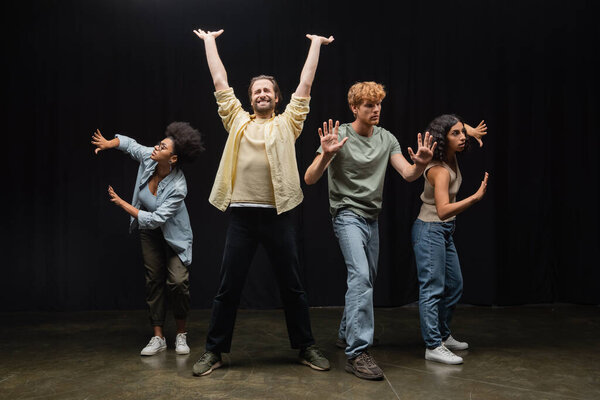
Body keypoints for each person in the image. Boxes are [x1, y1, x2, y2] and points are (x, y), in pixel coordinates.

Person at [191, 28, 333, 376]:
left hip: (278, 216)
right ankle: (215, 351)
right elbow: (220, 80)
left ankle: (305, 347)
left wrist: (315, 45)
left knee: (293, 286)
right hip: (241, 216)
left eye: (267, 89)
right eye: (256, 91)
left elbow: (306, 84)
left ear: (277, 97)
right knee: (228, 288)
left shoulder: (289, 124)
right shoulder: (236, 120)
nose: (262, 94)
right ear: (250, 98)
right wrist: (210, 42)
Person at [304, 81, 437, 380]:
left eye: (378, 104)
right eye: (368, 105)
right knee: (361, 276)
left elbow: (407, 173)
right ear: (354, 108)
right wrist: (326, 155)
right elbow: (310, 178)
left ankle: (344, 333)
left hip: (371, 218)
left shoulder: (386, 138)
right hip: (346, 214)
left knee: (367, 278)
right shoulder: (339, 135)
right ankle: (357, 353)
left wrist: (421, 165)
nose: (376, 109)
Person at [91, 122, 204, 356]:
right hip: (149, 231)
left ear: (172, 159)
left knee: (178, 282)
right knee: (154, 279)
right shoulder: (150, 158)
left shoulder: (178, 186)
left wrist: (122, 203)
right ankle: (158, 337)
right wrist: (110, 143)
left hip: (174, 234)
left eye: (162, 147)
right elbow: (131, 145)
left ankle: (181, 334)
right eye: (159, 143)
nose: (155, 147)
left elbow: (155, 219)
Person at [411, 114, 489, 365]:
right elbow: (443, 210)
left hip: (444, 231)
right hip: (431, 229)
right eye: (456, 134)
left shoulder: (451, 157)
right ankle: (433, 345)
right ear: (444, 140)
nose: (463, 137)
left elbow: (451, 125)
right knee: (432, 290)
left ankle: (443, 334)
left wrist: (471, 131)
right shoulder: (439, 170)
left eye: (462, 132)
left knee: (454, 286)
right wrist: (475, 198)